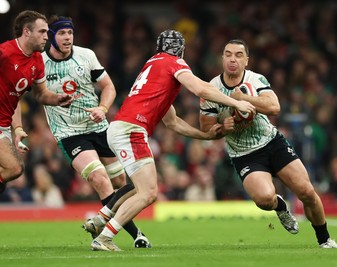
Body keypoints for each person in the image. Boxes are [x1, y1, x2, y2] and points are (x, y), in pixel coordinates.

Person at [86, 29, 255, 251]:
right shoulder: (173, 63)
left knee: (140, 187)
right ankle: (105, 237)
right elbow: (200, 88)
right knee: (149, 192)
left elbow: (173, 122)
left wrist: (204, 135)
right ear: (181, 50)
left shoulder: (154, 66)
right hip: (131, 130)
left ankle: (101, 218)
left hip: (122, 127)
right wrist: (237, 103)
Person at [199, 39, 337, 248]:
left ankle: (325, 240)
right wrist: (223, 126)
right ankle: (280, 206)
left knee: (307, 192)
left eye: (239, 55)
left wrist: (244, 100)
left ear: (246, 60)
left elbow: (275, 107)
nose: (232, 59)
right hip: (244, 154)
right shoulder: (211, 88)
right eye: (228, 54)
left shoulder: (255, 80)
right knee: (264, 199)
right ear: (222, 58)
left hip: (272, 143)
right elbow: (206, 129)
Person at [41, 15, 151, 248]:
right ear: (51, 35)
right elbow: (34, 94)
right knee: (100, 179)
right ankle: (130, 235)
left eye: (70, 33)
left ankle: (101, 228)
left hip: (99, 128)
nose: (67, 37)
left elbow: (108, 86)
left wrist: (103, 108)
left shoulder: (86, 55)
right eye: (61, 33)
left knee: (121, 182)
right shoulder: (39, 62)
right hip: (69, 132)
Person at [0, 10, 72, 194]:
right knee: (14, 168)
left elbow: (40, 95)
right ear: (26, 32)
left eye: (47, 32)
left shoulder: (37, 61)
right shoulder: (5, 53)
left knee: (12, 172)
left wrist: (57, 99)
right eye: (42, 32)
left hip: (4, 125)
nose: (46, 37)